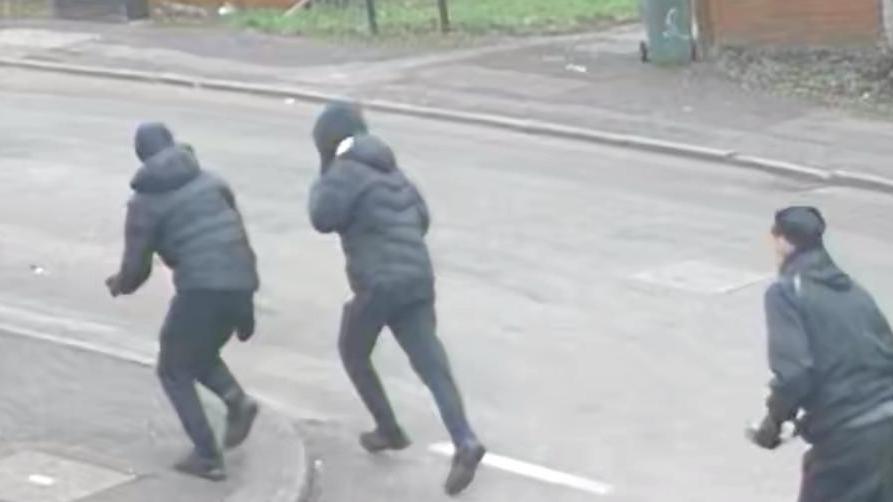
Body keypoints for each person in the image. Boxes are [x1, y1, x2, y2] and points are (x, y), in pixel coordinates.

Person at [307, 101, 486, 496]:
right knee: (431, 363)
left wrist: (325, 174)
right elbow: (421, 218)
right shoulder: (393, 170)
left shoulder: (342, 173)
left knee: (353, 351)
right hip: (417, 278)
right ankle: (465, 440)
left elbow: (321, 217)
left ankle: (388, 428)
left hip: (378, 284)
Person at [106, 123, 260, 481]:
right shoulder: (213, 182)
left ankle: (207, 456)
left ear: (142, 156)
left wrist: (120, 285)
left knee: (173, 368)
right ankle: (237, 402)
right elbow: (236, 239)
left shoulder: (145, 202)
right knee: (196, 352)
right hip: (241, 280)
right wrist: (246, 308)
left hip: (202, 288)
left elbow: (137, 267)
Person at [748, 206, 893, 502]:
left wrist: (773, 425)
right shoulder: (853, 291)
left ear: (783, 242)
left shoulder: (787, 292)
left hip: (849, 443)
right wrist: (804, 424)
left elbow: (794, 374)